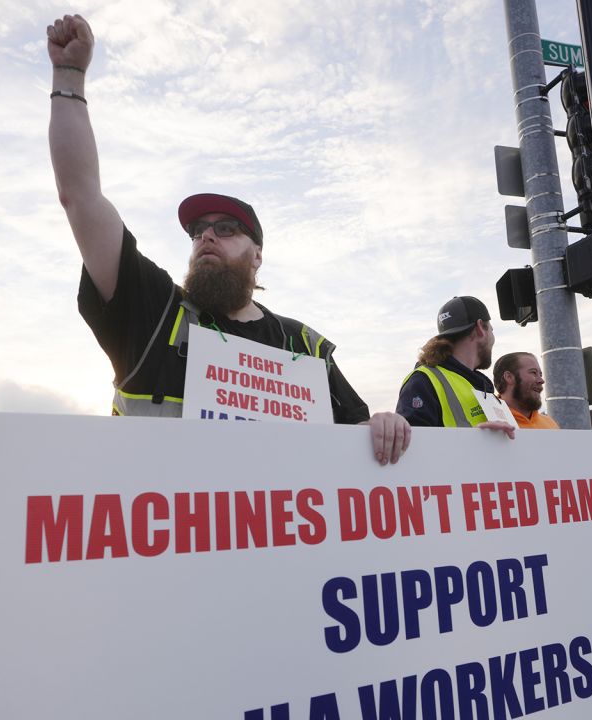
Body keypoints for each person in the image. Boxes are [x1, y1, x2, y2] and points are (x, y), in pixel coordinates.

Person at [46, 14, 410, 464]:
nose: (206, 238)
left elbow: (358, 436)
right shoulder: (156, 314)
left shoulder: (304, 345)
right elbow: (81, 197)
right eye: (199, 231)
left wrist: (383, 424)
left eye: (226, 229)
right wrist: (69, 78)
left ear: (257, 254)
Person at [395, 297, 513, 437]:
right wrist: (476, 441)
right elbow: (413, 449)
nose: (493, 338)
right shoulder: (423, 381)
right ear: (480, 327)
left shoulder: (482, 385)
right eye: (492, 330)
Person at [493, 352, 559, 429]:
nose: (541, 380)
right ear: (509, 377)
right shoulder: (486, 421)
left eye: (540, 375)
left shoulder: (550, 424)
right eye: (533, 372)